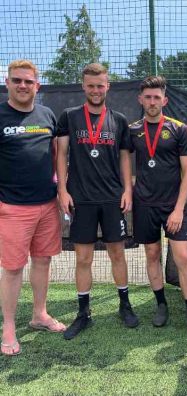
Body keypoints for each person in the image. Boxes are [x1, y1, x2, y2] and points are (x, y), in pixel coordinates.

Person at [56, 63, 138, 340]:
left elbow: (126, 157)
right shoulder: (69, 116)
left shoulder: (119, 120)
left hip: (113, 198)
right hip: (81, 198)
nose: (95, 90)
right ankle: (83, 313)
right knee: (83, 258)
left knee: (118, 253)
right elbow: (61, 153)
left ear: (107, 86)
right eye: (90, 85)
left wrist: (127, 190)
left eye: (100, 85)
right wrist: (63, 190)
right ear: (83, 86)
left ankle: (124, 305)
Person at [129, 75, 187, 341]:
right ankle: (161, 304)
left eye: (156, 97)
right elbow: (125, 164)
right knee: (151, 256)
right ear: (141, 99)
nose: (152, 102)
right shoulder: (132, 130)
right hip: (144, 205)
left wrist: (178, 209)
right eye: (147, 97)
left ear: (165, 100)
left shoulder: (179, 129)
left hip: (173, 206)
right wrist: (130, 190)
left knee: (182, 257)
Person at [0, 60, 65, 356]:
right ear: (8, 83)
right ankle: (9, 328)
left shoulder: (47, 114)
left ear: (37, 86)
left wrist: (59, 190)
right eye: (17, 80)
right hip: (12, 207)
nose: (22, 85)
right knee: (13, 269)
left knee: (42, 261)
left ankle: (39, 315)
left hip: (47, 205)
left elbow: (55, 156)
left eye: (28, 81)